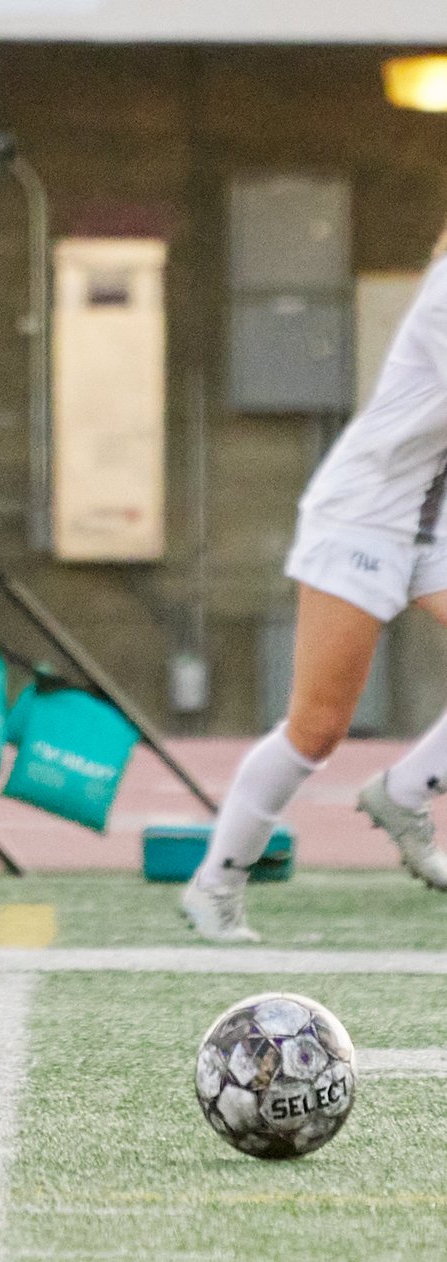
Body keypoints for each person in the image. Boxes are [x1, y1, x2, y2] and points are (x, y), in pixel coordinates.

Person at [180, 220, 447, 943]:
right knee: (318, 728)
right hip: (363, 519)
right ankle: (216, 884)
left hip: (428, 521)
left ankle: (403, 792)